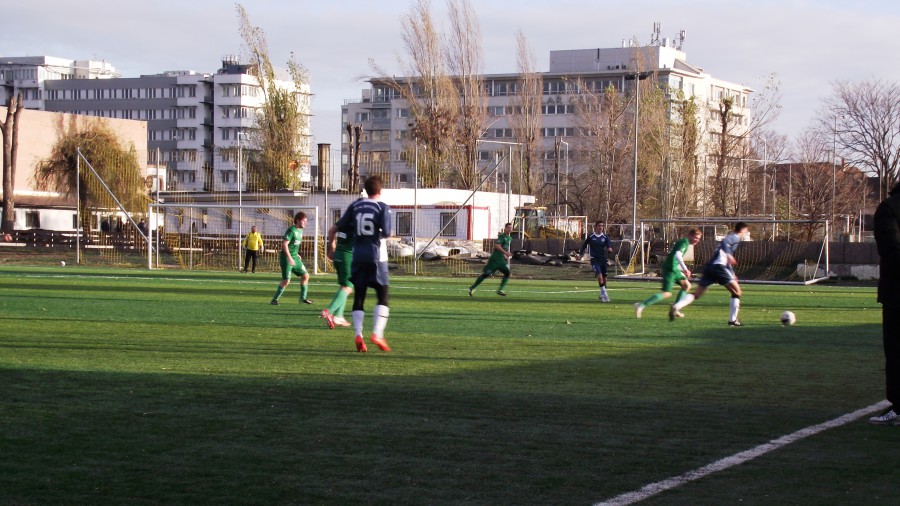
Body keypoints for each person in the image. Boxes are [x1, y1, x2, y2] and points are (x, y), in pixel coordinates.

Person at [335, 175, 392, 352]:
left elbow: (341, 226)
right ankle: (377, 333)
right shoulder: (382, 207)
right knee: (383, 295)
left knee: (359, 296)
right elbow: (387, 232)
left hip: (358, 256)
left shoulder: (356, 205)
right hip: (377, 257)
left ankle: (358, 334)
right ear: (380, 190)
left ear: (366, 190)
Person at [669, 222, 750, 326]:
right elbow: (725, 243)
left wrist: (732, 273)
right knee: (737, 292)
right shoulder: (734, 237)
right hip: (719, 267)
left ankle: (677, 306)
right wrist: (729, 256)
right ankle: (732, 320)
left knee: (697, 294)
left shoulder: (731, 237)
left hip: (710, 267)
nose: (746, 233)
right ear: (742, 230)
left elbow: (724, 254)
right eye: (746, 231)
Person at [870, 182, 900, 425]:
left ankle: (898, 406)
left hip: (897, 293)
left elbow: (890, 250)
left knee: (897, 351)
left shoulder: (889, 208)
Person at [635, 227, 703, 318]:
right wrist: (685, 269)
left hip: (674, 269)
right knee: (666, 293)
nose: (697, 240)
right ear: (690, 235)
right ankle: (641, 305)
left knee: (687, 286)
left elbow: (675, 256)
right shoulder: (684, 242)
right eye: (696, 238)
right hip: (670, 269)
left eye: (698, 239)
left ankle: (676, 308)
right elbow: (678, 255)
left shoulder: (684, 242)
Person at [270, 212, 313, 305]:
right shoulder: (291, 230)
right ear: (297, 220)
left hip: (294, 257)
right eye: (304, 221)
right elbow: (285, 244)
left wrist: (296, 254)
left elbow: (293, 245)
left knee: (306, 276)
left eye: (306, 221)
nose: (305, 223)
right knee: (286, 281)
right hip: (286, 258)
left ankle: (303, 298)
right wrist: (289, 257)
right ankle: (275, 299)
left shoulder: (300, 231)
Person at [320, 223, 354, 329]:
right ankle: (329, 311)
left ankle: (339, 316)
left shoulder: (344, 220)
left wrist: (332, 248)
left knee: (344, 286)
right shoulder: (358, 221)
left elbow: (331, 231)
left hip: (338, 254)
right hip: (347, 256)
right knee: (348, 287)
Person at [468, 222, 513, 297]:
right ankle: (472, 287)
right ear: (505, 228)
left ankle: (500, 290)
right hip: (494, 260)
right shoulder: (502, 237)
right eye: (508, 227)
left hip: (501, 260)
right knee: (486, 274)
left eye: (511, 228)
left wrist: (505, 255)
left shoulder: (509, 238)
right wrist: (505, 252)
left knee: (507, 273)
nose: (510, 229)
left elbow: (503, 248)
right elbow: (497, 245)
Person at [579, 220, 614, 302]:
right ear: (596, 227)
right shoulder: (591, 236)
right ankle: (605, 294)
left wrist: (610, 249)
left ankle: (602, 294)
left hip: (603, 259)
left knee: (605, 278)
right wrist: (581, 254)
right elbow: (584, 245)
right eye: (599, 226)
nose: (601, 227)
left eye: (602, 226)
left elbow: (609, 245)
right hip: (594, 259)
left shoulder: (605, 237)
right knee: (599, 276)